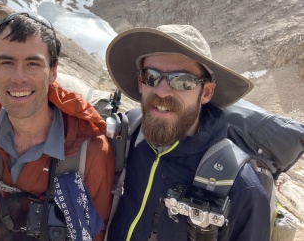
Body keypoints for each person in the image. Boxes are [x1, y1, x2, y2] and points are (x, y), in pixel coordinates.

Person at [0, 11, 114, 241]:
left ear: (53, 72)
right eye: (7, 63)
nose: (19, 78)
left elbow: (97, 233)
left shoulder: (90, 151)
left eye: (32, 64)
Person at [105, 25, 270, 241]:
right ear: (140, 82)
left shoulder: (241, 188)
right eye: (151, 77)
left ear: (206, 92)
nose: (162, 91)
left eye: (182, 81)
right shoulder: (124, 139)